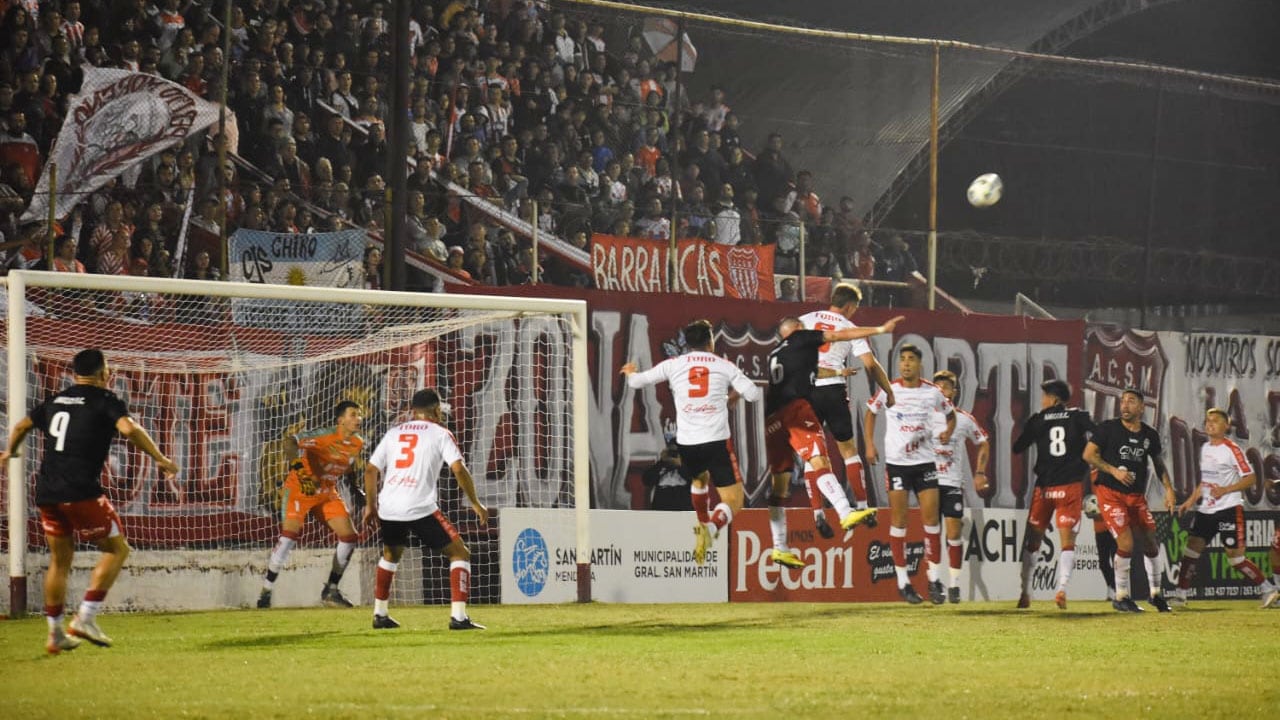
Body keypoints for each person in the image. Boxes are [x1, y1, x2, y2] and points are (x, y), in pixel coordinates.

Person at [0, 349, 179, 654]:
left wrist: (10, 452)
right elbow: (129, 428)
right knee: (116, 549)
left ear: (74, 374)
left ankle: (54, 633)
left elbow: (20, 427)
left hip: (47, 492)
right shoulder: (104, 399)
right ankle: (85, 617)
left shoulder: (56, 400)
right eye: (107, 369)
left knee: (60, 560)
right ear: (102, 373)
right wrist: (160, 459)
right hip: (80, 491)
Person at [765, 316, 904, 568]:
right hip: (796, 410)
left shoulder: (776, 353)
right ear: (796, 331)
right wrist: (880, 328)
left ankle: (781, 546)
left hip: (773, 419)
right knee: (824, 458)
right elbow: (837, 336)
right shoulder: (801, 338)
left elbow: (813, 370)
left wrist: (838, 371)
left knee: (783, 485)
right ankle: (847, 510)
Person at [621, 320, 762, 565]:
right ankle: (712, 527)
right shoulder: (723, 365)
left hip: (687, 443)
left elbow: (636, 382)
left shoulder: (673, 364)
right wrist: (732, 394)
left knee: (699, 478)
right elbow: (753, 393)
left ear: (686, 343)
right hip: (716, 441)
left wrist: (630, 371)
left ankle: (701, 524)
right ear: (711, 341)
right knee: (734, 501)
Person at [362, 389, 488, 630]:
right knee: (460, 554)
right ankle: (459, 618)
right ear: (437, 410)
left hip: (389, 506)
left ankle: (379, 614)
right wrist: (475, 502)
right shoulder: (441, 433)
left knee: (391, 555)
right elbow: (459, 469)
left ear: (412, 411)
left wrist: (370, 505)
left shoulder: (393, 432)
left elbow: (370, 470)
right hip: (419, 506)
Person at [797, 283, 896, 539]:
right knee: (849, 450)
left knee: (814, 456)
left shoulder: (805, 319)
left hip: (807, 392)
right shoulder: (850, 328)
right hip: (833, 392)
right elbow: (870, 365)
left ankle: (818, 512)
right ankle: (864, 508)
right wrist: (889, 391)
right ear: (850, 306)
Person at [864, 344, 955, 604]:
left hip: (925, 463)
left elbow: (951, 415)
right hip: (897, 464)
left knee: (931, 521)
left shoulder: (932, 392)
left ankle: (934, 579)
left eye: (911, 360)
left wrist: (948, 430)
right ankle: (903, 582)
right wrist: (869, 444)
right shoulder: (889, 389)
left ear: (920, 364)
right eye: (902, 359)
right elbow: (870, 413)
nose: (905, 364)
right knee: (899, 520)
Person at [257, 401, 366, 609]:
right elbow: (290, 442)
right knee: (289, 537)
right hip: (301, 489)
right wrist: (299, 469)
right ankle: (266, 591)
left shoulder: (357, 442)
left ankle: (331, 590)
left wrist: (354, 488)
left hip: (326, 492)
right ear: (340, 420)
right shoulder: (323, 436)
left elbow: (349, 466)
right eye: (353, 414)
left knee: (350, 536)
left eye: (359, 415)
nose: (358, 419)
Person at [1083, 388, 1176, 613]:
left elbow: (1158, 463)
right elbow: (1088, 455)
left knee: (1150, 542)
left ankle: (1155, 594)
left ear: (1142, 407)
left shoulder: (1149, 435)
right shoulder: (1107, 429)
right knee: (1125, 544)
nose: (1124, 405)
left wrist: (1169, 490)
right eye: (1122, 401)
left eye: (1131, 401)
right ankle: (1121, 596)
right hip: (1110, 492)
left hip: (1135, 495)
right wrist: (1113, 471)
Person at [1173, 408, 1278, 607]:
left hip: (1229, 509)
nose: (1209, 424)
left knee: (1235, 558)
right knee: (1191, 549)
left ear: (1226, 426)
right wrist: (1190, 500)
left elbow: (1251, 478)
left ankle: (1268, 589)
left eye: (1215, 421)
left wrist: (1226, 489)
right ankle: (1180, 595)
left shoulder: (1232, 449)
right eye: (1207, 420)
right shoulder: (1205, 448)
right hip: (1206, 510)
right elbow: (1205, 481)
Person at [1010, 379, 1095, 610]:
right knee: (1067, 542)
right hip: (1070, 486)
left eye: (1044, 396)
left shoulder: (1038, 420)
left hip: (1044, 488)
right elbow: (1098, 436)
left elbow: (1018, 447)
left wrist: (1031, 428)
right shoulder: (1079, 416)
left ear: (1054, 398)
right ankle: (1061, 590)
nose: (1042, 400)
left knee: (1033, 541)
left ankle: (1025, 594)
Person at [931, 370, 989, 604]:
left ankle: (954, 584)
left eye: (947, 386)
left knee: (954, 533)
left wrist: (980, 472)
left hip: (952, 483)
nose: (943, 390)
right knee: (932, 533)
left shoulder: (963, 418)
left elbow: (983, 443)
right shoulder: (923, 416)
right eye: (939, 386)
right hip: (928, 482)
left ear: (954, 392)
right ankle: (934, 583)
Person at [642, 437, 692, 511]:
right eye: (672, 452)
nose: (674, 454)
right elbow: (646, 480)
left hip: (682, 503)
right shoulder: (660, 466)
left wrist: (680, 466)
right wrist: (662, 462)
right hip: (661, 503)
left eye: (677, 452)